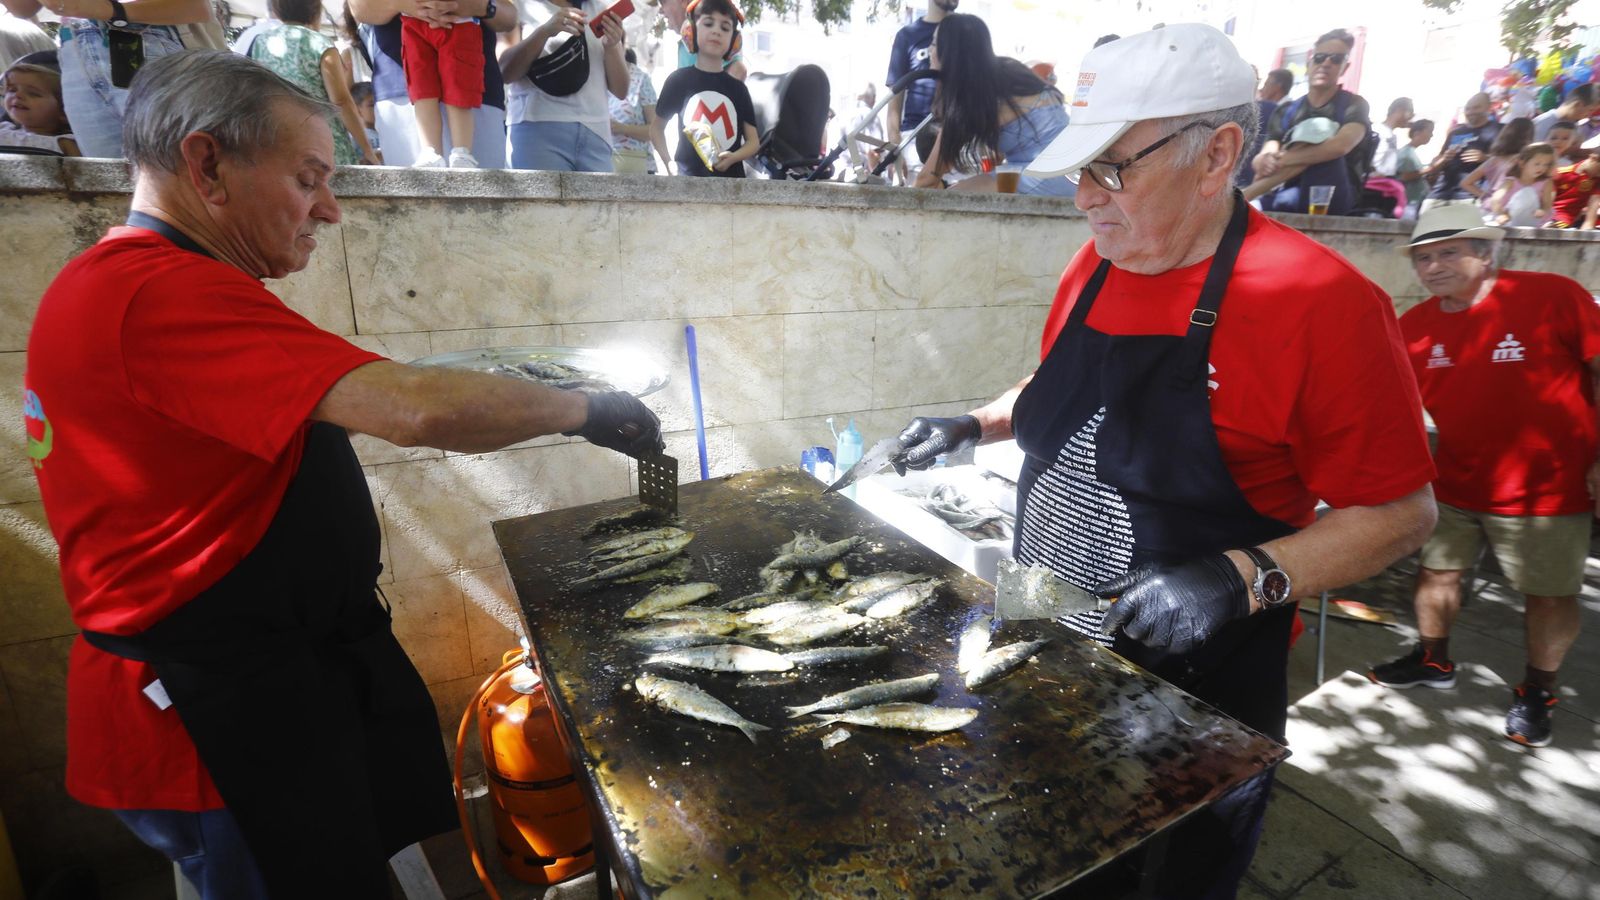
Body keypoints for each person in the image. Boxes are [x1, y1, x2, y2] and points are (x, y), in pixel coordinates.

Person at [23, 50, 664, 898]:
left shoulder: (134, 281)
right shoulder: (158, 293)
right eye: (308, 178)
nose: (329, 208)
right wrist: (588, 408)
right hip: (215, 718)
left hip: (254, 687)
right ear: (207, 163)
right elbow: (415, 409)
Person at [896, 24, 1436, 897]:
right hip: (1048, 637)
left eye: (1112, 167)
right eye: (1079, 169)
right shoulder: (1099, 263)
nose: (1084, 198)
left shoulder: (1322, 305)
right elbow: (1065, 384)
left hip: (1197, 688)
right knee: (1051, 860)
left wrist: (1241, 578)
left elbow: (1403, 514)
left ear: (1218, 152)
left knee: (1168, 878)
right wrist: (977, 423)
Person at [1370, 205, 1599, 748]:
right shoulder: (1417, 325)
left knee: (1548, 594)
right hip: (1451, 481)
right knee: (1437, 574)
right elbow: (1386, 402)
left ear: (1485, 251)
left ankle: (1538, 690)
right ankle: (1434, 659)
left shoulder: (1552, 295)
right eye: (1424, 258)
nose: (1433, 267)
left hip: (1549, 487)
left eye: (1448, 252)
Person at [18, 0, 214, 158]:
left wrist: (108, 9)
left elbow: (196, 8)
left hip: (144, 37)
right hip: (76, 47)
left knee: (177, 170)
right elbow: (21, 8)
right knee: (108, 181)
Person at [911, 13, 1071, 196]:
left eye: (933, 43)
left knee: (953, 196)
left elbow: (927, 179)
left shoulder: (969, 96)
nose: (929, 50)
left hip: (1048, 175)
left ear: (950, 53)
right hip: (1072, 170)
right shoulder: (1007, 70)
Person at [350, 0, 516, 168]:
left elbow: (509, 16)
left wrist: (481, 6)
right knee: (413, 191)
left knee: (478, 189)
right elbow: (359, 9)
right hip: (402, 95)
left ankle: (461, 152)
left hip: (478, 95)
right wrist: (405, 4)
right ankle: (434, 152)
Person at [1248, 29, 1372, 216]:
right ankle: (1251, 198)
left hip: (1333, 195)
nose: (1326, 63)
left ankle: (1247, 196)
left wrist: (1283, 159)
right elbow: (1268, 151)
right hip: (1287, 192)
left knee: (1324, 146)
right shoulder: (1286, 110)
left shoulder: (1354, 105)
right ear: (1309, 63)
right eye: (1320, 57)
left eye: (1336, 59)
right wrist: (1263, 161)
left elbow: (1340, 146)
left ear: (1345, 67)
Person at [249, 0, 381, 166]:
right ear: (316, 11)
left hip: (280, 140)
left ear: (276, 10)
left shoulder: (260, 43)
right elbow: (340, 101)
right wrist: (367, 150)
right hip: (323, 141)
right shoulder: (320, 43)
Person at [501, 0, 628, 173]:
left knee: (599, 201)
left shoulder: (599, 8)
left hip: (596, 133)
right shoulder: (519, 5)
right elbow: (505, 72)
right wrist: (544, 32)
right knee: (540, 201)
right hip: (537, 130)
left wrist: (612, 45)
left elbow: (621, 90)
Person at [651, 0, 758, 178]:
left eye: (725, 28)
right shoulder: (678, 81)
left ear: (734, 40)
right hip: (687, 186)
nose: (716, 31)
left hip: (732, 189)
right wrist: (669, 165)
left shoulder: (739, 89)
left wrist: (734, 157)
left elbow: (753, 141)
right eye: (708, 23)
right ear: (690, 30)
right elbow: (656, 128)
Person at [397, 0, 484, 167]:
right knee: (422, 89)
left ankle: (462, 152)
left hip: (458, 22)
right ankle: (430, 152)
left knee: (459, 90)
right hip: (413, 21)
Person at [884, 0, 955, 179]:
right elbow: (894, 103)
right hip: (915, 139)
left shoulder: (968, 32)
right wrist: (895, 149)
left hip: (957, 141)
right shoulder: (907, 36)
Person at [1420, 92, 1501, 213]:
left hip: (1471, 196)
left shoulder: (1499, 130)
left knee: (1464, 232)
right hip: (1438, 195)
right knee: (1425, 230)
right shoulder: (1455, 132)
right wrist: (1444, 158)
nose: (1471, 111)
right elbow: (1436, 164)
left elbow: (1509, 162)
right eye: (1468, 108)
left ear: (1489, 107)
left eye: (1476, 107)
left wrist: (1485, 158)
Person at [1, 50, 79, 155]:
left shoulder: (64, 143)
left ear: (63, 111)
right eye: (12, 90)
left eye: (33, 93)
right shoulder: (3, 128)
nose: (17, 95)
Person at [609, 46, 668, 174]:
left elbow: (654, 129)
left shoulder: (640, 78)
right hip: (601, 164)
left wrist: (621, 128)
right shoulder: (593, 76)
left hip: (637, 165)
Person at [1460, 116, 1531, 216]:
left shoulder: (1494, 159)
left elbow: (1466, 183)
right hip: (1510, 209)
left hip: (1488, 208)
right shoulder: (1523, 160)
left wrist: (1484, 196)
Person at [658, 0, 745, 79]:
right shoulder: (684, 46)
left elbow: (738, 70)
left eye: (663, 2)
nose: (660, 10)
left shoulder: (709, 43)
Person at [1238, 66, 1291, 184]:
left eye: (1266, 84)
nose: (1263, 88)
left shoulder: (1268, 109)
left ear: (1278, 86)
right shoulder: (1289, 109)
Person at [1486, 141, 1555, 227]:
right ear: (1522, 163)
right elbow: (1496, 199)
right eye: (1537, 164)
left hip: (1532, 218)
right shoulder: (1511, 181)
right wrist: (1500, 214)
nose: (1541, 168)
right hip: (1508, 218)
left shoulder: (1546, 182)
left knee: (1529, 192)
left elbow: (1547, 203)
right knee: (1526, 192)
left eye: (1546, 165)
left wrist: (1543, 210)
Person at [1549, 139, 1600, 229]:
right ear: (1593, 158)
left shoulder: (1596, 182)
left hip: (1566, 220)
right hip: (1550, 216)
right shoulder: (1561, 173)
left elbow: (1590, 219)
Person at [1396, 118, 1433, 217]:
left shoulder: (1413, 152)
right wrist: (1429, 169)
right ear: (1417, 133)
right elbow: (1404, 176)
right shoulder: (1406, 153)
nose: (1431, 135)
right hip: (1410, 202)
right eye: (1429, 131)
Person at [1372, 96, 1413, 177]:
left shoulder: (1392, 135)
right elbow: (1372, 164)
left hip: (1382, 182)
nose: (1410, 118)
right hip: (1372, 183)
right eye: (1410, 113)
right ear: (1399, 110)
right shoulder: (1377, 130)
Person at [350, 79, 381, 159]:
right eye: (372, 105)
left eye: (379, 103)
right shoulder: (355, 137)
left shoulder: (388, 132)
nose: (377, 108)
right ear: (357, 110)